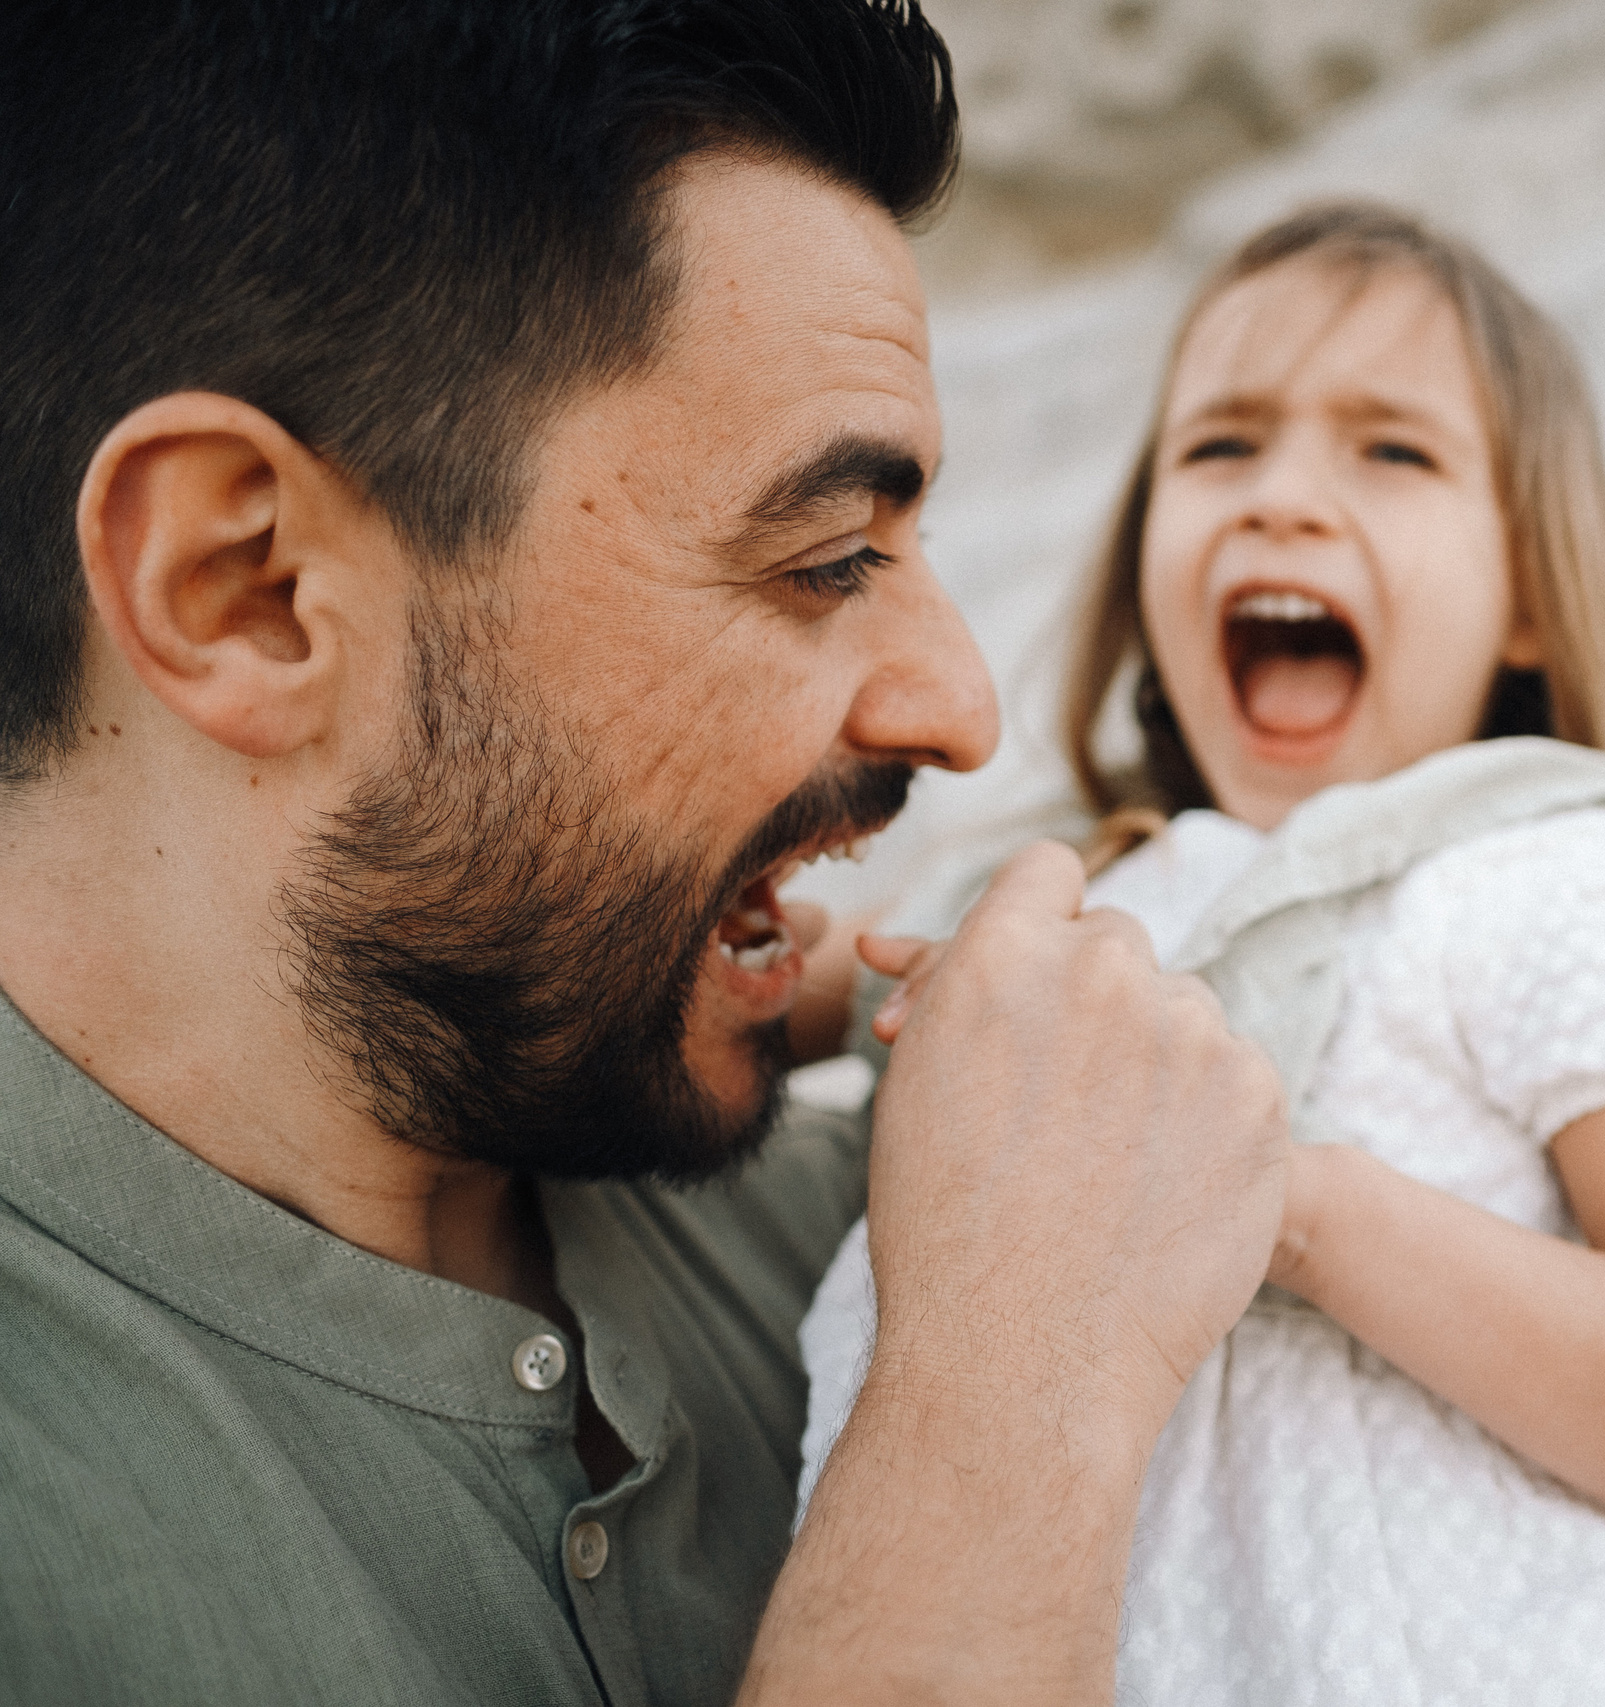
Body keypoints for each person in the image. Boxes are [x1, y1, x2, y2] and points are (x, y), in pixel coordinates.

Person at [0, 5, 1289, 1704]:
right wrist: (1006, 1397)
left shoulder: (895, 1220)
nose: (962, 708)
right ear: (245, 588)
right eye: (823, 555)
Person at [796, 204, 1605, 1703]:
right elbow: (797, 978)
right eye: (1222, 445)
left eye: (1393, 452)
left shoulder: (1532, 880)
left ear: (1529, 605)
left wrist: (1304, 1210)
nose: (1283, 500)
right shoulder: (1056, 891)